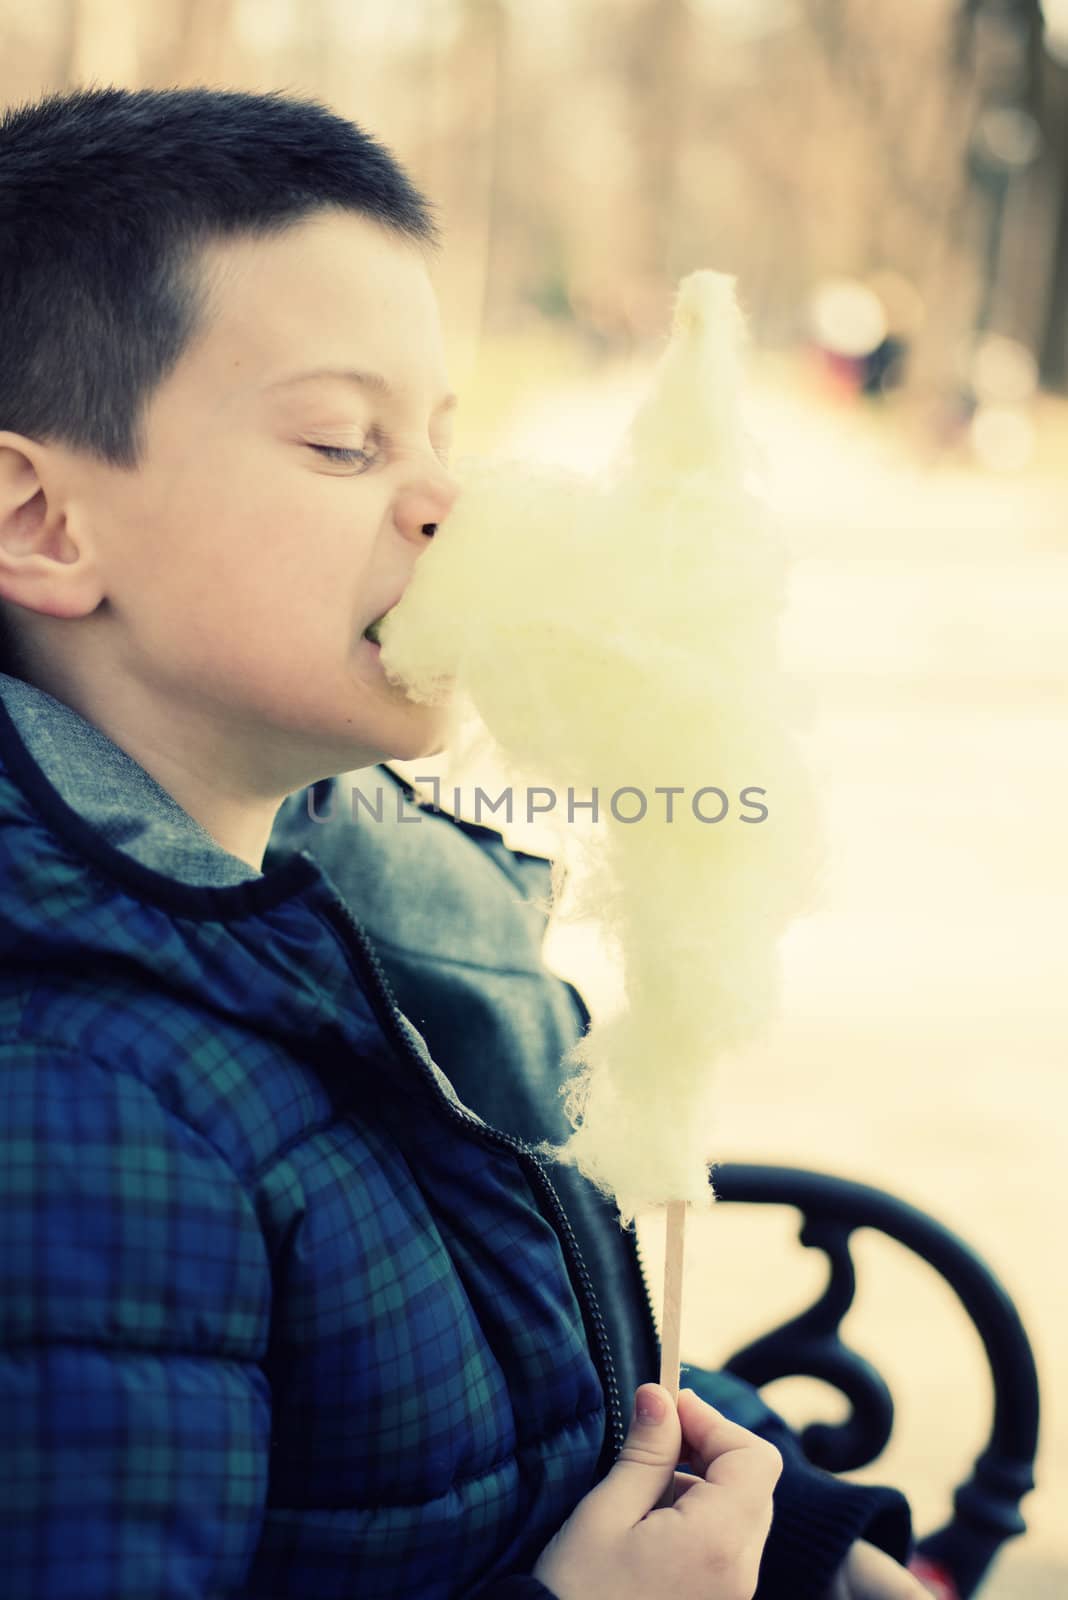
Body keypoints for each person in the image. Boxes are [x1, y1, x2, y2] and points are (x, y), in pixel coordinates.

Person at [0, 84, 927, 1599]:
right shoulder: (76, 1108)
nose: (450, 502)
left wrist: (815, 1546)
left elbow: (556, 1382)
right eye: (345, 443)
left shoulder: (378, 930)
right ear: (43, 522)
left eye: (446, 433)